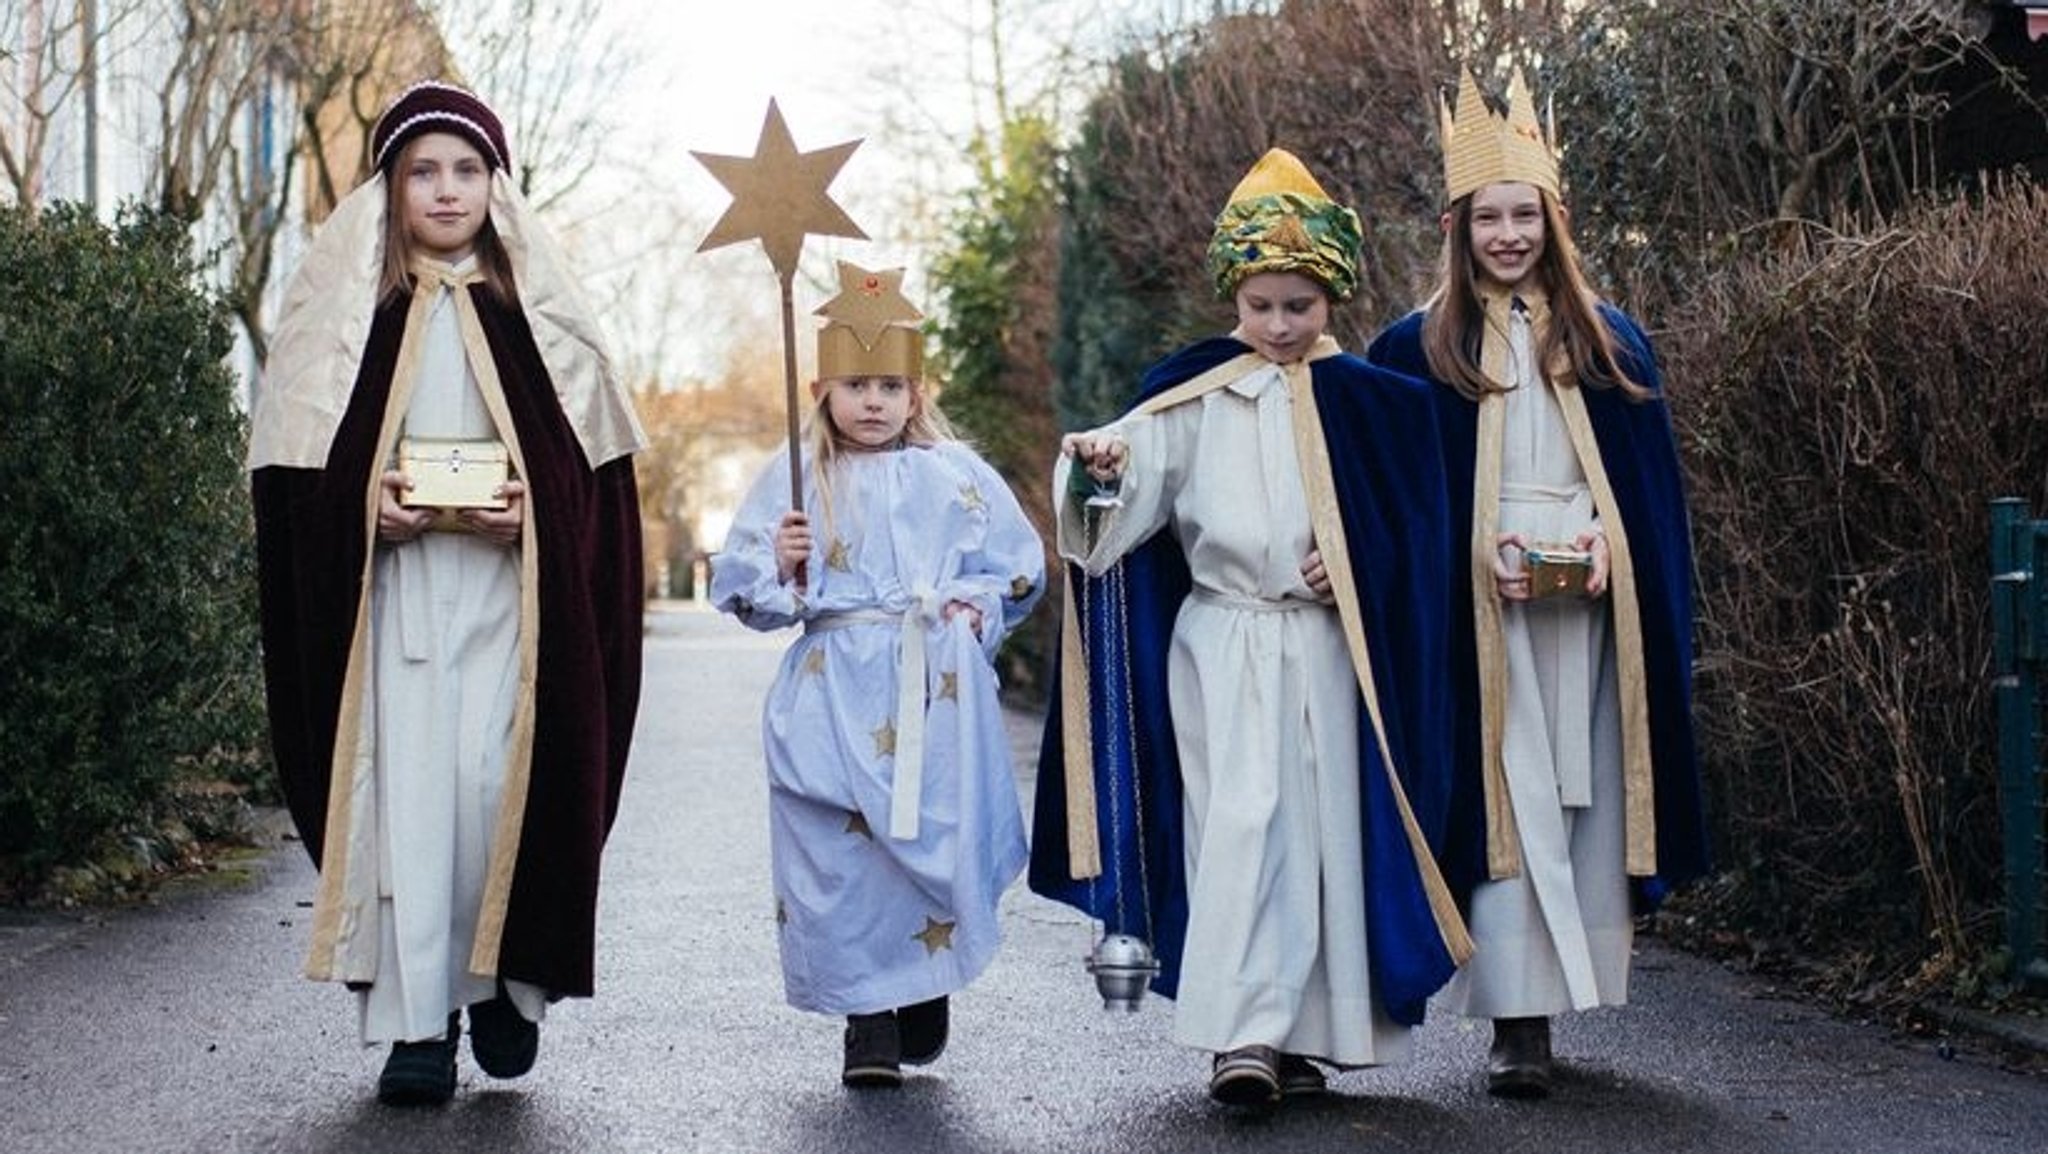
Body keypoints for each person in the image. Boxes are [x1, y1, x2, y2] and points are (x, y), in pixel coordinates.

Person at [1029, 149, 1470, 1109]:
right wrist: (1100, 467)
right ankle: (1243, 1034)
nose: (1277, 326)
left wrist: (1356, 566)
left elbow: (1417, 544)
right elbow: (1119, 508)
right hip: (1222, 645)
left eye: (1298, 307)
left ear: (1331, 301)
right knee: (1239, 824)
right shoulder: (1190, 395)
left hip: (1328, 652)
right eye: (1261, 305)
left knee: (1322, 836)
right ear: (1235, 293)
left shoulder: (1379, 405)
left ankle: (1308, 1032)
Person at [248, 80, 646, 1107]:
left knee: (490, 801)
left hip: (513, 614)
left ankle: (505, 991)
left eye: (465, 169)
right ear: (389, 185)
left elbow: (592, 493)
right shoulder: (347, 322)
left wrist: (536, 524)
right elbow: (299, 485)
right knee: (407, 810)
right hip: (394, 608)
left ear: (494, 185)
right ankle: (416, 1026)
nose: (444, 188)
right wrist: (361, 513)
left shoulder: (540, 325)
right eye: (423, 169)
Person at [1365, 67, 1711, 1098]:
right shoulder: (1414, 346)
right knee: (1504, 790)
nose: (1506, 235)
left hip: (1587, 612)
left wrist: (1611, 548)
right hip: (1475, 612)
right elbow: (1397, 497)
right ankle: (1515, 1020)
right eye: (1487, 218)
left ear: (1550, 221)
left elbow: (1647, 494)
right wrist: (1466, 553)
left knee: (1580, 792)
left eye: (1523, 215)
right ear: (1456, 225)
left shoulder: (1608, 337)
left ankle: (1559, 996)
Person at [709, 261, 1046, 1089]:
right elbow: (744, 587)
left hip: (927, 686)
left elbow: (1016, 565)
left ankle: (923, 980)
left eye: (889, 386)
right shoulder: (798, 476)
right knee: (839, 851)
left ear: (917, 392)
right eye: (856, 385)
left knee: (923, 838)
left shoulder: (956, 472)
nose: (873, 403)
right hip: (831, 684)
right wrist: (781, 568)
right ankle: (868, 1019)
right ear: (822, 388)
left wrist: (971, 606)